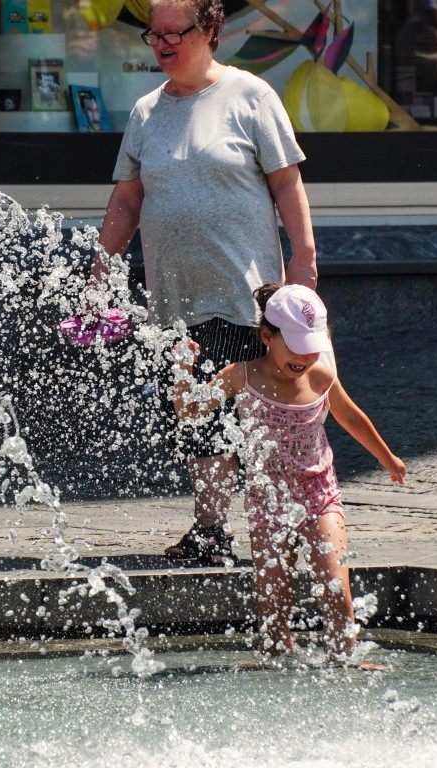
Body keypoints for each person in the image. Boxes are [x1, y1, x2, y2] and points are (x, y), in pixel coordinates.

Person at [91, 0, 318, 564]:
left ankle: (244, 529)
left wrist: (305, 259)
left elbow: (287, 184)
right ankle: (223, 529)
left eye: (176, 32)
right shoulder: (147, 110)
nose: (163, 43)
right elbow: (127, 196)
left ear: (210, 30)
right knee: (197, 413)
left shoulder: (249, 96)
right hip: (175, 295)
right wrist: (103, 264)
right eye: (154, 34)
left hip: (242, 291)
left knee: (243, 411)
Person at [171, 284, 405, 658]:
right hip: (268, 499)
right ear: (267, 336)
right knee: (274, 606)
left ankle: (345, 660)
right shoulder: (241, 375)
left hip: (319, 493)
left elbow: (350, 417)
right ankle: (277, 665)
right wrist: (183, 369)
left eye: (311, 346)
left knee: (334, 587)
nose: (303, 357)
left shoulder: (319, 376)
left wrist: (387, 458)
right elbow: (190, 409)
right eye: (294, 346)